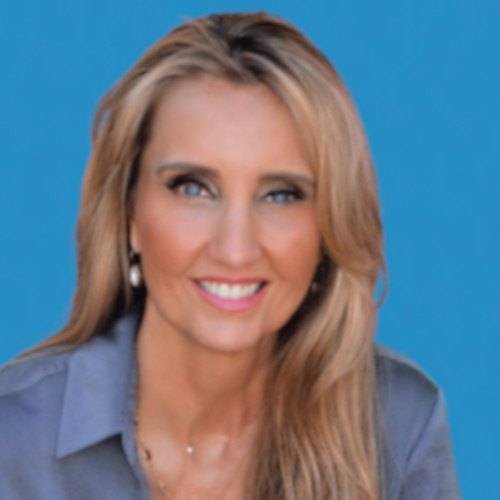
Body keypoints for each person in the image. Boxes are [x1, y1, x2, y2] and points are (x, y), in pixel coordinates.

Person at [0, 11, 459, 500]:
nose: (235, 250)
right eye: (193, 188)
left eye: (281, 195)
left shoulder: (399, 426)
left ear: (329, 226)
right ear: (129, 212)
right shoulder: (14, 437)